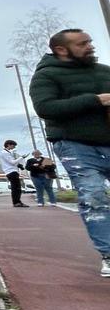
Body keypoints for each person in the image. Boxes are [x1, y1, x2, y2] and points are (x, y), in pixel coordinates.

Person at [29, 28, 110, 276]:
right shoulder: (46, 76)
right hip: (75, 144)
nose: (90, 46)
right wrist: (95, 101)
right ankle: (108, 253)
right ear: (61, 50)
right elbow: (45, 107)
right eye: (82, 43)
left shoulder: (104, 71)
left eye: (90, 41)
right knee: (94, 194)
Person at [0, 139, 28, 208]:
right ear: (8, 145)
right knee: (16, 188)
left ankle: (17, 202)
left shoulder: (8, 153)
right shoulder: (4, 153)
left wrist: (19, 165)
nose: (14, 147)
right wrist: (22, 157)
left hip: (12, 171)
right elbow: (12, 162)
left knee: (17, 188)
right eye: (13, 146)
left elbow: (12, 163)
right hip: (11, 172)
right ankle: (16, 202)